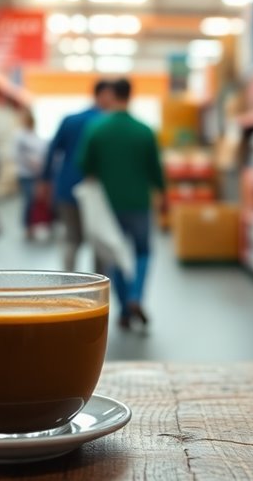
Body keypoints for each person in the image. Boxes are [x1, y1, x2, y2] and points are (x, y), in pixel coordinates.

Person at [78, 78, 165, 330]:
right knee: (143, 251)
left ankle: (125, 306)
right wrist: (163, 194)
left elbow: (84, 165)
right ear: (130, 96)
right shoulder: (145, 130)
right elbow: (155, 171)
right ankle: (137, 295)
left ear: (111, 95)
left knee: (115, 253)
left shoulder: (96, 128)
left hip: (108, 204)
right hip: (139, 201)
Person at [39, 80, 114, 270]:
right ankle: (98, 285)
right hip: (98, 191)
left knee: (72, 238)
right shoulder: (106, 123)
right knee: (99, 238)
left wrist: (45, 180)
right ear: (103, 94)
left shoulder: (70, 120)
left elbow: (52, 151)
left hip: (67, 189)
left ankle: (68, 283)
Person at [13, 110, 46, 241]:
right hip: (26, 173)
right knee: (29, 199)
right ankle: (28, 226)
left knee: (37, 199)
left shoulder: (36, 136)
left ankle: (35, 223)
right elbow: (18, 155)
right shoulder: (20, 136)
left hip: (38, 174)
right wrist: (32, 165)